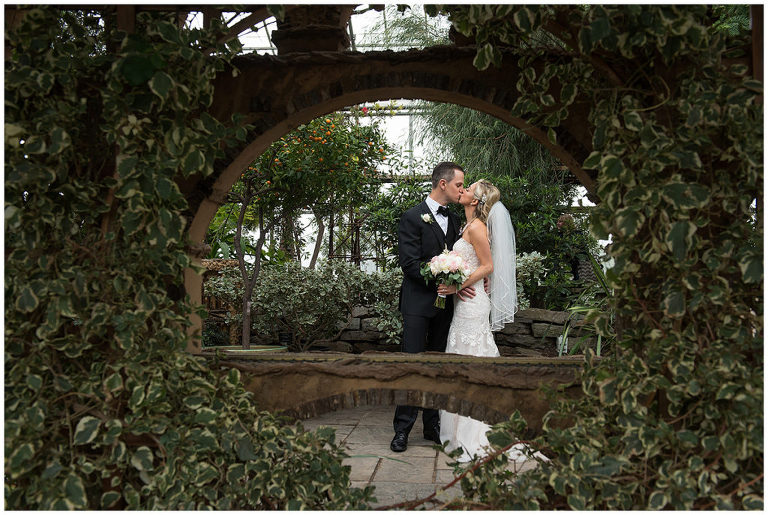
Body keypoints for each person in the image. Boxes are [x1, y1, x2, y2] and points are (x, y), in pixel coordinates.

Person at [436, 179, 546, 465]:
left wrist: (456, 286)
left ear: (476, 200)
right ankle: (459, 431)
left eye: (468, 189)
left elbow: (488, 266)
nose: (463, 190)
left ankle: (477, 434)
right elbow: (477, 267)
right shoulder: (467, 226)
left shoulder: (477, 228)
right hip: (465, 302)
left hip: (472, 304)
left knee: (471, 360)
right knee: (462, 360)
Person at [391, 161, 478, 453]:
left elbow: (466, 258)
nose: (462, 190)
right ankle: (402, 429)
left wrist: (466, 282)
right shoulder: (412, 217)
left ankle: (432, 426)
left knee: (439, 364)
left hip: (446, 307)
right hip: (417, 304)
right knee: (412, 365)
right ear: (443, 184)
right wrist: (439, 280)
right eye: (459, 185)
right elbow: (409, 264)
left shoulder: (455, 220)